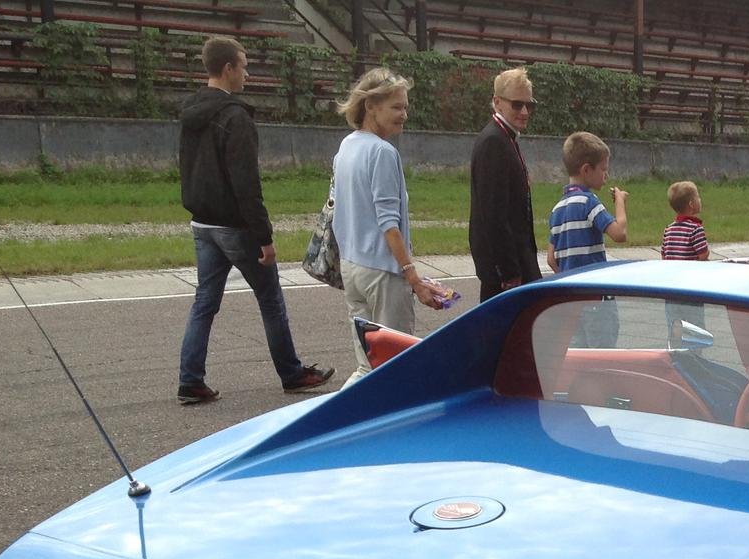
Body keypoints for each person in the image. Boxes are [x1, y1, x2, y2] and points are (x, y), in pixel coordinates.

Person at [176, 36, 334, 405]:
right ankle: (291, 372)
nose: (247, 73)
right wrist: (264, 236)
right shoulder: (235, 117)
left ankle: (190, 378)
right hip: (234, 225)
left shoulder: (190, 112)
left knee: (205, 302)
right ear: (228, 68)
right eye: (244, 66)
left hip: (202, 222)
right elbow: (246, 183)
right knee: (270, 298)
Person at [331, 67, 448, 384]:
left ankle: (343, 422)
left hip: (353, 267)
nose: (404, 114)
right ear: (371, 106)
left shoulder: (347, 146)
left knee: (367, 366)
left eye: (405, 106)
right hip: (382, 274)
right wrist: (413, 277)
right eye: (397, 106)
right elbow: (388, 224)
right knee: (396, 368)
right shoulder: (382, 152)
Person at [547, 131, 628, 347]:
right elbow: (620, 234)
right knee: (603, 358)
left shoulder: (557, 210)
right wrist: (620, 202)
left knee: (579, 361)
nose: (606, 175)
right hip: (596, 300)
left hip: (570, 301)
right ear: (586, 169)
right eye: (603, 169)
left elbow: (551, 259)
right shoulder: (589, 202)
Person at [469, 67, 541, 303]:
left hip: (516, 259)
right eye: (517, 105)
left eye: (529, 105)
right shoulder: (494, 141)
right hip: (505, 268)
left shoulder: (505, 137)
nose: (524, 111)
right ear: (497, 102)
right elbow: (493, 215)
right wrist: (509, 272)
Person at [661, 180, 709, 336]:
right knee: (694, 327)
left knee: (674, 326)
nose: (700, 200)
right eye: (698, 197)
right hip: (691, 288)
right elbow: (703, 254)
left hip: (672, 289)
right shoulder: (696, 229)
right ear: (691, 204)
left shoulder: (669, 229)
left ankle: (675, 354)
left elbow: (664, 255)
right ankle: (695, 355)